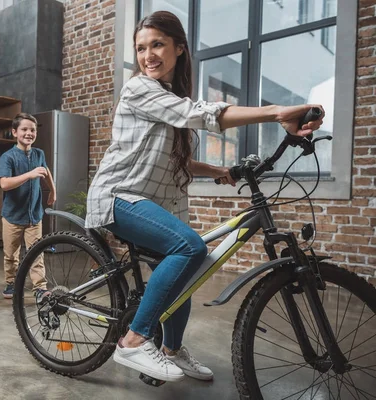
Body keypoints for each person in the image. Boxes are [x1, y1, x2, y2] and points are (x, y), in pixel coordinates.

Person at [85, 11, 324, 383]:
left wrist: (218, 171)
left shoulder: (169, 96)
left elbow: (175, 159)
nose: (148, 55)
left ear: (179, 48)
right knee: (190, 247)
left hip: (153, 204)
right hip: (118, 196)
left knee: (189, 272)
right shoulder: (138, 88)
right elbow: (199, 114)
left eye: (157, 45)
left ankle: (171, 350)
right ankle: (133, 341)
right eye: (141, 48)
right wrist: (276, 111)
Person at [0, 112, 57, 301]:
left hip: (34, 215)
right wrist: (29, 175)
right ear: (15, 132)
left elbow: (45, 171)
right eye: (24, 129)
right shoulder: (7, 157)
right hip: (12, 216)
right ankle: (11, 283)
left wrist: (53, 191)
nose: (29, 133)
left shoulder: (39, 154)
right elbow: (4, 184)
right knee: (11, 254)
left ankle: (40, 287)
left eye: (32, 130)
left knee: (36, 252)